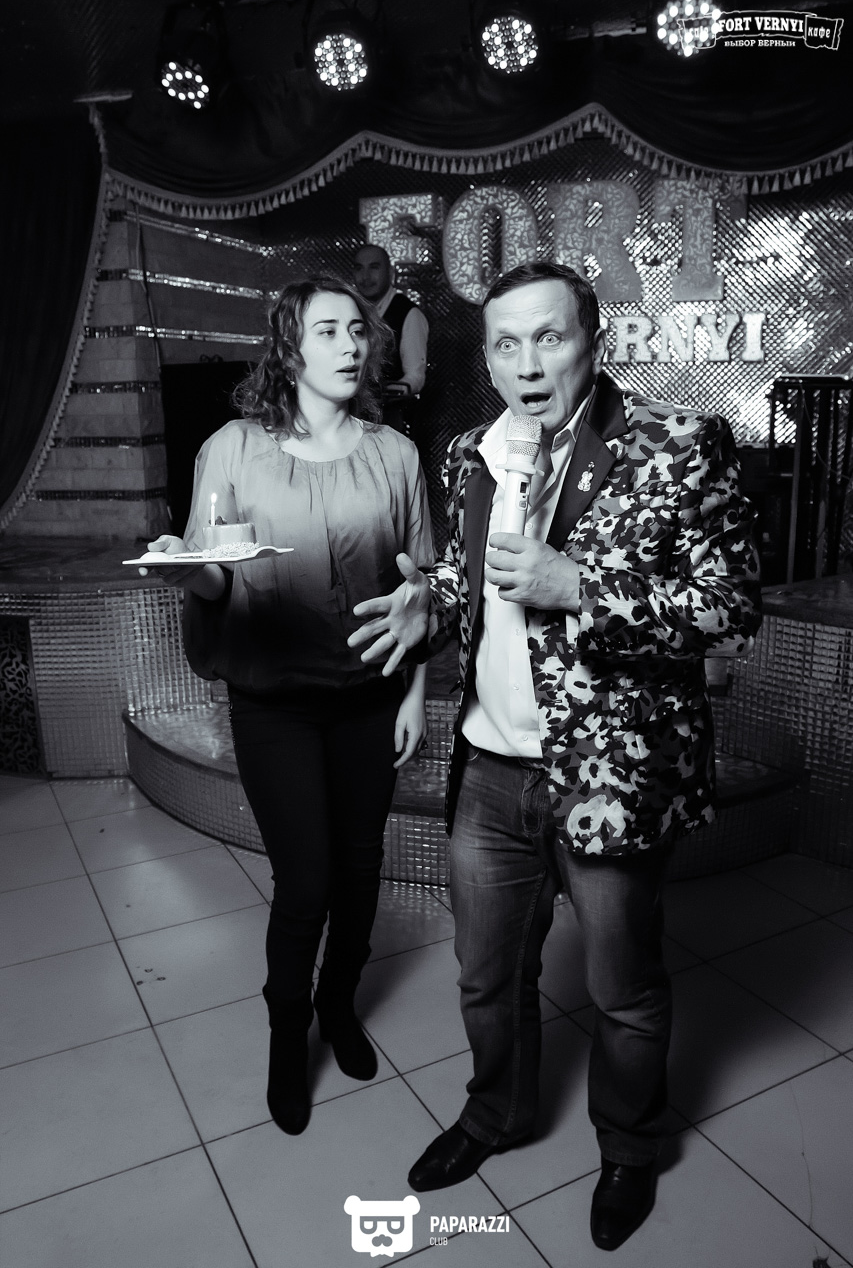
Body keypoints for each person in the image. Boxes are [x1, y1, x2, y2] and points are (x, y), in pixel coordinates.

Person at [349, 262, 761, 1251]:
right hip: (489, 769)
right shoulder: (467, 452)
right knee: (485, 975)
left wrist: (579, 585)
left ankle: (628, 1146)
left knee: (624, 989)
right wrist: (428, 601)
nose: (527, 364)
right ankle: (495, 1112)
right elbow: (469, 579)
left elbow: (731, 607)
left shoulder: (677, 442)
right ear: (486, 358)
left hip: (612, 776)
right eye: (506, 343)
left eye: (549, 337)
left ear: (593, 342)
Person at [141, 276, 434, 1137]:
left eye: (358, 330)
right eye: (328, 330)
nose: (350, 344)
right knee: (306, 880)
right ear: (289, 348)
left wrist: (415, 692)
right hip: (274, 704)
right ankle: (286, 1032)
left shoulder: (396, 454)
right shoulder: (231, 448)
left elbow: (424, 587)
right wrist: (183, 569)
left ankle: (339, 1003)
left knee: (361, 871)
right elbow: (215, 573)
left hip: (370, 697)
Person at [353, 244, 429, 439]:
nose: (365, 276)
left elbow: (415, 376)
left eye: (374, 267)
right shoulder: (351, 312)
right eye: (359, 268)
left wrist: (385, 394)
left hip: (390, 422)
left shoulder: (408, 313)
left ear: (390, 273)